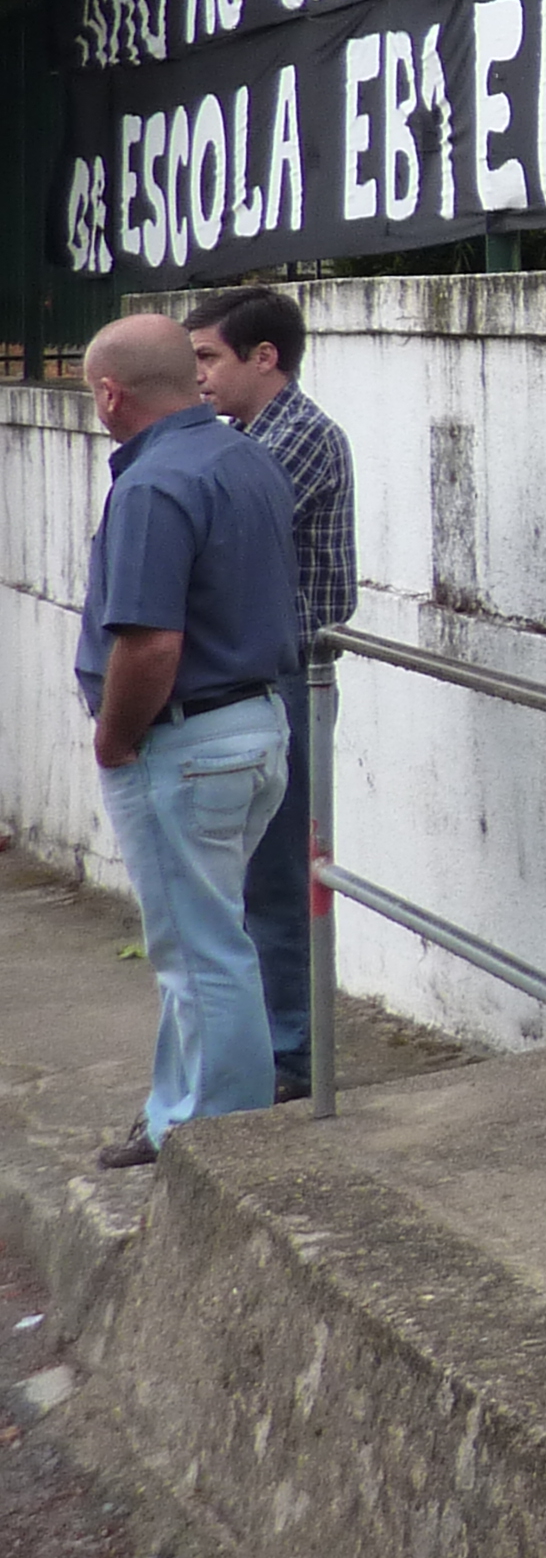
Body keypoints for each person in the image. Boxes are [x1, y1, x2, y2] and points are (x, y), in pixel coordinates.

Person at [75, 315, 303, 1169]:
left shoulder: (151, 485)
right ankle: (178, 1111)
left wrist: (112, 740)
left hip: (186, 739)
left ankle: (217, 1140)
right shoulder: (244, 456)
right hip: (255, 725)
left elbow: (150, 644)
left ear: (110, 393)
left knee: (201, 953)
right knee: (202, 940)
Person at [186, 286, 354, 1106]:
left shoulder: (298, 439)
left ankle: (292, 1056)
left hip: (290, 674)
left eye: (210, 358)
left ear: (265, 358)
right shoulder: (244, 438)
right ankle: (271, 1047)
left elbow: (214, 532)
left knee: (280, 878)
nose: (199, 379)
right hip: (259, 675)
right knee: (248, 876)